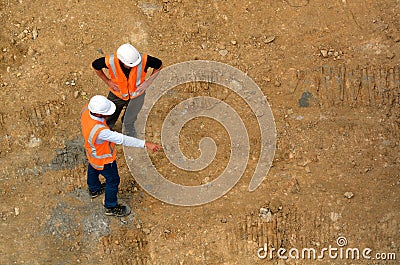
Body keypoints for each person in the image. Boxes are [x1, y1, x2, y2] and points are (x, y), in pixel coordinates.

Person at [81, 95, 162, 217]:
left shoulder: (86, 110)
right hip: (104, 160)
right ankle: (110, 206)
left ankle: (94, 189)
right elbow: (122, 139)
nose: (108, 115)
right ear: (98, 114)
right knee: (113, 181)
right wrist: (146, 144)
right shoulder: (101, 132)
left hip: (92, 153)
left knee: (92, 168)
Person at [92, 43, 162, 136]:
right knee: (110, 114)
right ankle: (106, 129)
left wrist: (148, 82)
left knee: (131, 115)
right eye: (130, 64)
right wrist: (108, 81)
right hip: (117, 94)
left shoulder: (144, 59)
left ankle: (128, 127)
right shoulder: (111, 61)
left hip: (137, 95)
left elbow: (159, 66)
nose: (133, 66)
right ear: (121, 60)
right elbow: (95, 66)